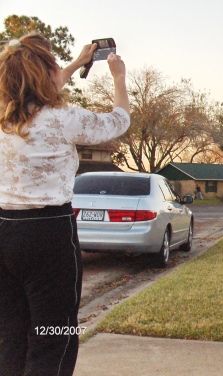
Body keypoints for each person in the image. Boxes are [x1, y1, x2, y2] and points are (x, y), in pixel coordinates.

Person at [0, 32, 130, 375]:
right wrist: (118, 77)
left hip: (3, 229)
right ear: (46, 72)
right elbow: (119, 121)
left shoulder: (3, 118)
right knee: (53, 335)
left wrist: (77, 63)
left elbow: (37, 85)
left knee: (10, 334)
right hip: (47, 233)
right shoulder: (63, 119)